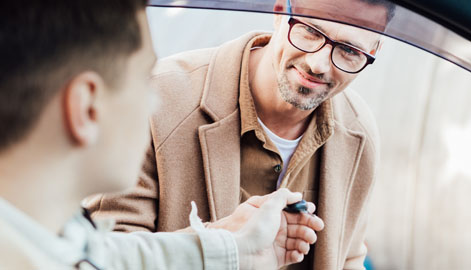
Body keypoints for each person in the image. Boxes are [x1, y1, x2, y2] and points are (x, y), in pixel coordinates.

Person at [0, 0, 324, 269]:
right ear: (86, 107)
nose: (154, 103)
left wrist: (234, 248)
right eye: (144, 78)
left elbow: (109, 257)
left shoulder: (55, 235)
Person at [87, 0, 395, 268]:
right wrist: (222, 244)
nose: (318, 64)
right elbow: (101, 255)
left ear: (374, 51)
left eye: (349, 51)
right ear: (280, 11)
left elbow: (349, 258)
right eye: (310, 31)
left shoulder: (359, 132)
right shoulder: (158, 97)